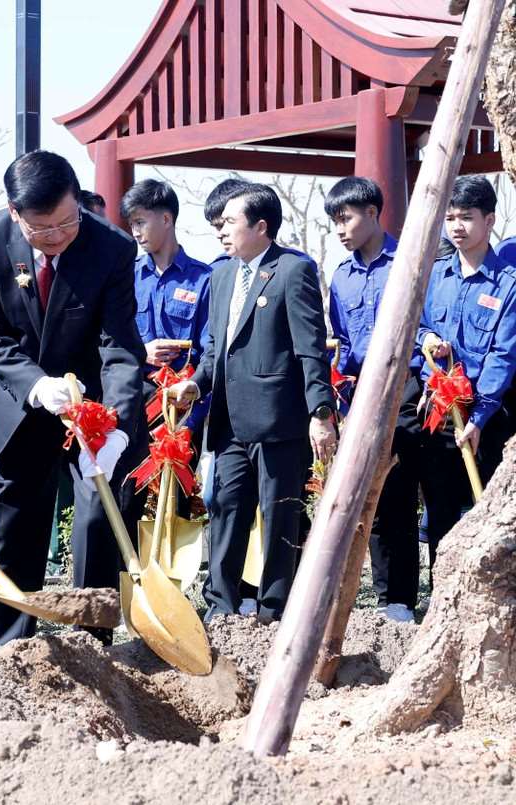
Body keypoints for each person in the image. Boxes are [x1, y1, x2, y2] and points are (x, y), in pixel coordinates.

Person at [0, 150, 145, 650]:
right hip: (25, 405)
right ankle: (7, 648)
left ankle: (93, 644)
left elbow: (119, 346)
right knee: (18, 523)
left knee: (96, 516)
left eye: (67, 223)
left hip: (90, 408)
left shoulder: (110, 247)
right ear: (14, 213)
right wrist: (34, 383)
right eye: (41, 230)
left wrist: (116, 426)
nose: (57, 237)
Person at [172, 184, 335, 623]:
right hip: (227, 420)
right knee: (225, 509)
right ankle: (221, 607)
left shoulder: (292, 270)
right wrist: (195, 384)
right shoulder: (222, 274)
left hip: (279, 419)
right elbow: (214, 348)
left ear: (261, 226)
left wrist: (320, 413)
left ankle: (274, 609)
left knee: (279, 515)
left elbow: (310, 349)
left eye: (229, 222)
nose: (222, 232)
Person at [325, 177, 421, 623]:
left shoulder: (408, 261)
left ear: (372, 212)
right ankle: (384, 597)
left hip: (405, 386)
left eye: (345, 218)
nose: (340, 229)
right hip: (359, 389)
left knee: (400, 491)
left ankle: (403, 598)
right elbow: (342, 339)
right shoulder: (341, 276)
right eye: (334, 222)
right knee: (372, 497)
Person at [417, 175, 516, 570]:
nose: (457, 227)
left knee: (488, 510)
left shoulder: (509, 285)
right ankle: (442, 594)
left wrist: (477, 419)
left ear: (489, 220)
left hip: (488, 418)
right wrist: (428, 342)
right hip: (441, 412)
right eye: (451, 217)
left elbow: (503, 356)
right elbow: (419, 328)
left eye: (467, 218)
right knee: (439, 509)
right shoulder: (436, 276)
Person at [121, 178, 212, 447]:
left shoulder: (204, 279)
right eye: (132, 224)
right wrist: (141, 351)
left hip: (183, 405)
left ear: (165, 218)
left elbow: (211, 351)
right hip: (134, 405)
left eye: (140, 222)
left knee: (178, 490)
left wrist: (192, 419)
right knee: (128, 488)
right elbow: (108, 340)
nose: (135, 232)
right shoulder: (126, 276)